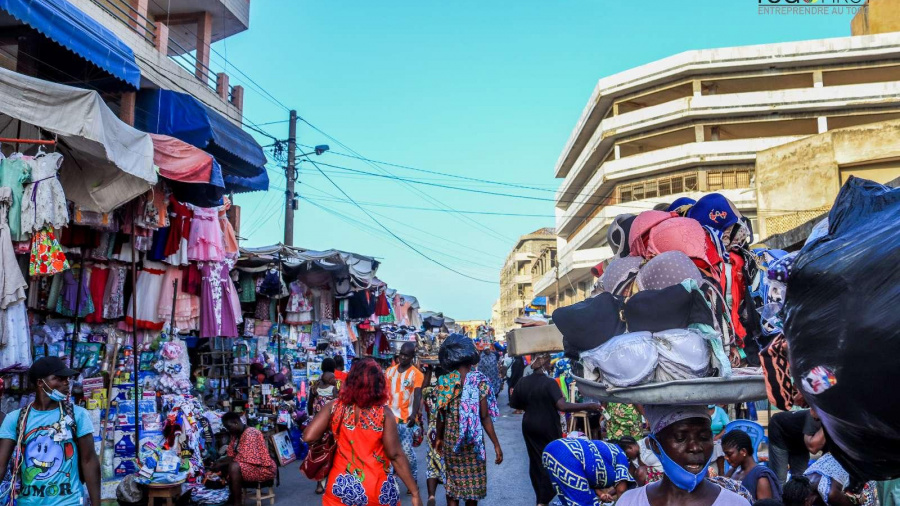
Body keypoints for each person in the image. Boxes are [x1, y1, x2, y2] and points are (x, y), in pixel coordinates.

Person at [303, 358, 423, 506]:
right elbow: (395, 455)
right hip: (377, 490)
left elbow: (308, 436)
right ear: (379, 384)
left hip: (341, 488)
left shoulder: (334, 407)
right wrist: (415, 492)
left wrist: (332, 435)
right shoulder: (383, 413)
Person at [0, 357, 100, 506]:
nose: (66, 383)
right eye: (59, 379)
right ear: (41, 383)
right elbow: (1, 464)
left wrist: (96, 503)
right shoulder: (15, 419)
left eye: (67, 379)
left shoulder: (78, 415)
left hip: (69, 502)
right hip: (28, 502)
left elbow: (89, 461)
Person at [510, 352, 603, 506]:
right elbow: (562, 406)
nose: (550, 366)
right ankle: (544, 499)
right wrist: (589, 406)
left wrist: (532, 405)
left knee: (536, 461)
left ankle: (540, 497)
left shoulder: (523, 381)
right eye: (548, 364)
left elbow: (515, 404)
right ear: (545, 364)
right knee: (551, 460)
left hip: (529, 425)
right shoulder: (550, 383)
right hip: (547, 425)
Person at [616, 404, 749, 506]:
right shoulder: (629, 502)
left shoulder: (736, 503)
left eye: (704, 437)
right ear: (655, 445)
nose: (695, 447)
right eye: (680, 438)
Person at [435, 335, 503, 506]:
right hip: (473, 441)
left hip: (452, 440)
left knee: (453, 486)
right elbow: (485, 417)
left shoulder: (445, 382)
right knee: (472, 489)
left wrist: (439, 438)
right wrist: (496, 444)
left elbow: (441, 416)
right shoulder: (480, 382)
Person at [543, 437, 635, 504]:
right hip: (566, 454)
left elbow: (587, 479)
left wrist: (601, 494)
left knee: (568, 499)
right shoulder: (621, 454)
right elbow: (621, 490)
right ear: (630, 448)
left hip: (551, 450)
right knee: (583, 502)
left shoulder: (605, 451)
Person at [216, 412, 277, 506]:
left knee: (234, 467)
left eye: (229, 427)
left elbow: (244, 459)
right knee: (223, 465)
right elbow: (230, 455)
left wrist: (222, 463)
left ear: (236, 422)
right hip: (249, 466)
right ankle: (232, 497)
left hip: (263, 469)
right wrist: (218, 462)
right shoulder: (235, 435)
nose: (228, 430)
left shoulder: (251, 433)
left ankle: (237, 502)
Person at [386, 341, 424, 493]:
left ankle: (412, 479)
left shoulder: (417, 374)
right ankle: (390, 482)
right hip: (389, 419)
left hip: (405, 420)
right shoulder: (389, 372)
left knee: (407, 452)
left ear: (412, 357)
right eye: (401, 354)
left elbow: (417, 395)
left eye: (406, 355)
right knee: (389, 452)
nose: (402, 357)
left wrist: (413, 415)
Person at [307, 358, 340, 494]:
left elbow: (309, 405)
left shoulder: (314, 386)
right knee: (335, 453)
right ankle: (333, 483)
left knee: (319, 453)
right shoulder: (336, 387)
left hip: (318, 426)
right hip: (333, 427)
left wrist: (313, 417)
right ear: (334, 370)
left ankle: (319, 484)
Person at [723, 430, 782, 502]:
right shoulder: (732, 472)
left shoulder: (761, 477)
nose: (725, 457)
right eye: (725, 454)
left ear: (743, 452)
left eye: (729, 454)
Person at [803, 453, 877, 506]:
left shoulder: (830, 493)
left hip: (862, 467)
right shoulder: (803, 479)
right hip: (846, 453)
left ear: (807, 502)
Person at [768, 409, 819, 482]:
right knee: (780, 478)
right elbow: (813, 448)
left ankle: (795, 492)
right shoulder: (813, 417)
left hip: (799, 440)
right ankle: (779, 492)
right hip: (779, 431)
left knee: (801, 477)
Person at [422, 364, 447, 506]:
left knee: (432, 465)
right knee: (447, 466)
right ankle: (451, 495)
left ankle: (431, 496)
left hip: (432, 430)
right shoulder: (449, 391)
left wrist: (428, 371)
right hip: (445, 430)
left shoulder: (431, 391)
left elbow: (422, 388)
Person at [710, 404, 731, 476]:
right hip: (705, 438)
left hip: (718, 438)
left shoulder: (720, 411)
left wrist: (718, 436)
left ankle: (721, 473)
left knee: (719, 446)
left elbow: (728, 427)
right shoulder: (701, 411)